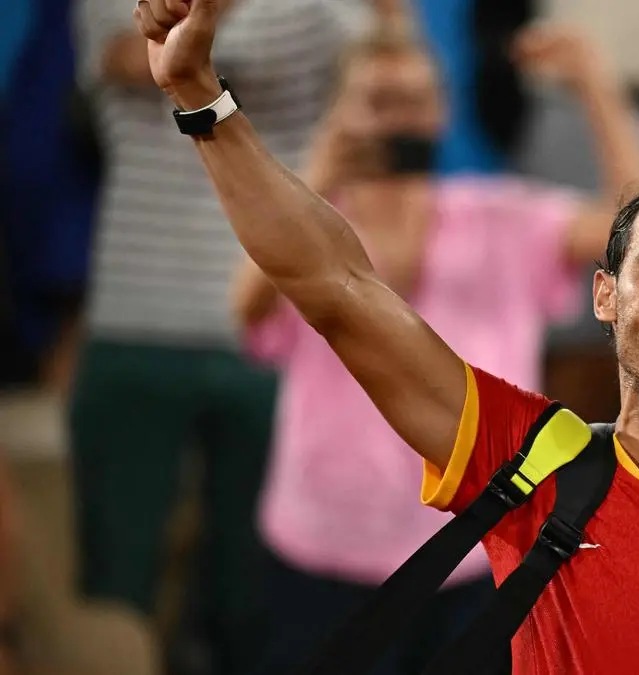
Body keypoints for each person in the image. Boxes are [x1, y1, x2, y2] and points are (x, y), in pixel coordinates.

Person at [130, 0, 639, 672]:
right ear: (604, 293)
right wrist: (201, 96)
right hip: (316, 560)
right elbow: (333, 285)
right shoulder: (528, 466)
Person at [234, 18, 639, 675]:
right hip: (321, 555)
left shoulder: (500, 219)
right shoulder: (308, 235)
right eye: (379, 100)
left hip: (475, 555)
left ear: (443, 112)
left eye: (416, 99)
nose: (399, 119)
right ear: (338, 115)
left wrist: (596, 87)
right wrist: (314, 176)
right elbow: (248, 311)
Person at [70, 0, 372, 672]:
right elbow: (132, 60)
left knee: (253, 592)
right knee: (116, 589)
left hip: (275, 325)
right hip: (137, 319)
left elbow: (370, 66)